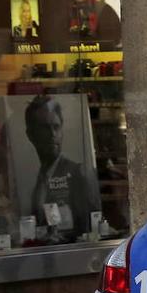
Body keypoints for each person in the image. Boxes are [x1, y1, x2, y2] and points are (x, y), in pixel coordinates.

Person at [24, 95, 100, 237]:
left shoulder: (79, 173)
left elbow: (90, 227)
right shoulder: (39, 179)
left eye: (56, 127)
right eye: (45, 128)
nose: (53, 134)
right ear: (31, 135)